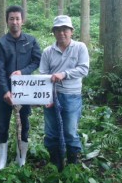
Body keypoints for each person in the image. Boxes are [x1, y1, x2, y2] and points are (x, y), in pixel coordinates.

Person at [0, 5, 41, 170]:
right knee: (2, 123)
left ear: (22, 20)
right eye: (11, 18)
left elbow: (37, 61)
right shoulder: (0, 43)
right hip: (4, 91)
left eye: (17, 18)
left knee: (24, 123)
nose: (15, 22)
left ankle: (21, 158)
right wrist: (5, 90)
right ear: (7, 21)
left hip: (25, 89)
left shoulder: (31, 40)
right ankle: (2, 160)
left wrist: (23, 71)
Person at [39, 15, 89, 171]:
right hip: (52, 95)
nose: (62, 33)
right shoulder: (48, 51)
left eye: (65, 29)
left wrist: (64, 74)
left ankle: (72, 164)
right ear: (53, 32)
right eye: (58, 30)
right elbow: (43, 74)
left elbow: (83, 69)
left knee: (69, 130)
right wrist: (46, 97)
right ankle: (56, 162)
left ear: (71, 31)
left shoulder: (80, 47)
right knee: (51, 131)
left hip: (72, 95)